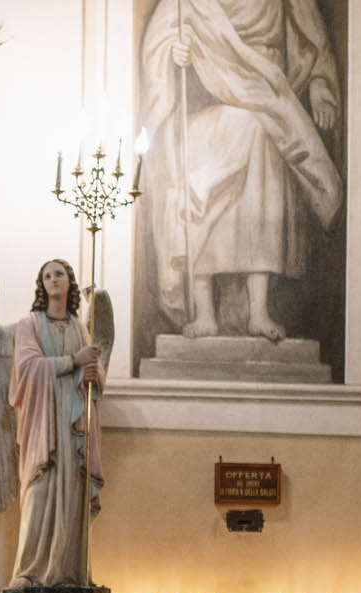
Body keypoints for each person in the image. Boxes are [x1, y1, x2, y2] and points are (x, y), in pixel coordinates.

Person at [138, 0, 342, 341]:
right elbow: (159, 46)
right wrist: (176, 56)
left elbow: (311, 36)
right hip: (209, 107)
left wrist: (322, 86)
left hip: (268, 102)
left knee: (260, 190)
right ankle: (204, 312)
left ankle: (258, 311)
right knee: (200, 182)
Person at [7, 260, 104, 588]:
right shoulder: (29, 325)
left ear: (69, 282)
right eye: (47, 276)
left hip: (74, 428)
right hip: (43, 425)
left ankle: (69, 573)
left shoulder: (80, 327)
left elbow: (95, 377)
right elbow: (27, 368)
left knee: (72, 497)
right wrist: (72, 362)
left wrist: (92, 374)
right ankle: (30, 572)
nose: (53, 280)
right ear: (42, 285)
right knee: (41, 493)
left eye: (59, 274)